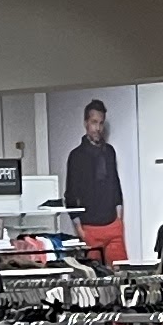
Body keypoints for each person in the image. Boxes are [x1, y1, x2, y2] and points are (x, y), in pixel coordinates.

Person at [62, 98, 129, 265]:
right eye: (94, 122)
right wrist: (79, 229)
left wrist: (119, 218)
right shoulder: (76, 156)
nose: (98, 128)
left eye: (101, 123)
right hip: (89, 226)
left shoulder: (109, 152)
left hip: (112, 224)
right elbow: (70, 193)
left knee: (122, 272)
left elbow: (115, 184)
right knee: (94, 275)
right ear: (86, 123)